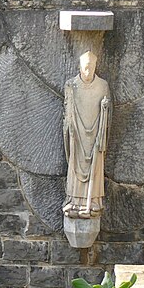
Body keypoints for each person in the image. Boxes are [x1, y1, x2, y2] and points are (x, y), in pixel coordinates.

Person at [62, 50, 110, 219]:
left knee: (95, 166)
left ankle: (94, 200)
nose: (89, 72)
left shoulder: (103, 86)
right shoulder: (71, 85)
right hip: (78, 135)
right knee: (75, 165)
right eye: (86, 68)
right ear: (80, 67)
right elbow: (67, 111)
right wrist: (70, 127)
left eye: (92, 67)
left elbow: (107, 113)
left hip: (95, 134)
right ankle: (74, 200)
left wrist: (105, 108)